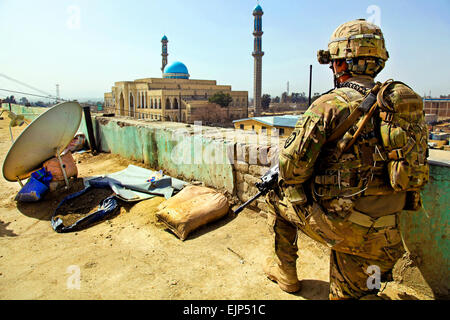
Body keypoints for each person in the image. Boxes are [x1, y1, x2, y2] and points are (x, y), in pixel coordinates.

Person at [264, 19, 429, 300]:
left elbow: (291, 170)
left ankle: (286, 274)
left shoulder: (330, 104)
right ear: (378, 61)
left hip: (347, 230)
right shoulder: (400, 105)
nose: (333, 68)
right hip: (388, 234)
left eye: (334, 62)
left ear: (341, 64)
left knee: (274, 194)